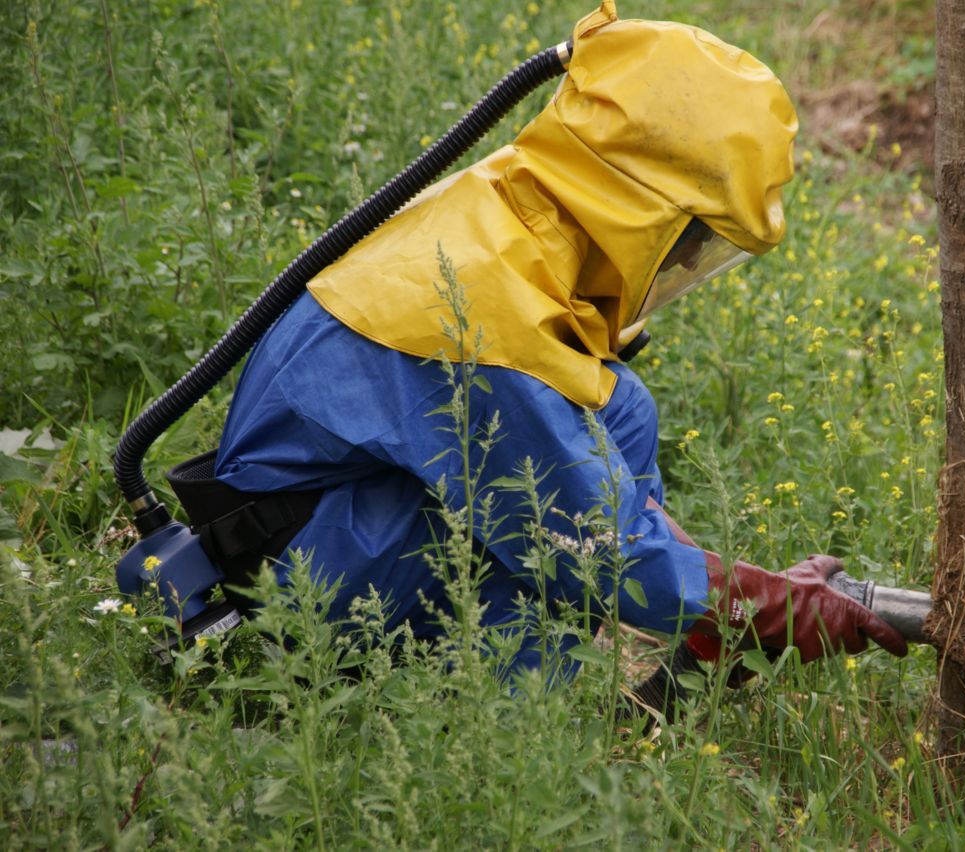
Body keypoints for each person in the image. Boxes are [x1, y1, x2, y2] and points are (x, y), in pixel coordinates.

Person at [209, 4, 907, 683]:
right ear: (632, 209)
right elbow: (596, 548)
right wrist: (762, 606)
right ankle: (498, 733)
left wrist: (719, 598)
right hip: (295, 572)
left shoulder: (519, 204)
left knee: (619, 408)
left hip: (340, 506)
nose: (690, 264)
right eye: (692, 241)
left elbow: (599, 478)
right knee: (544, 538)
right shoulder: (485, 311)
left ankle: (609, 641)